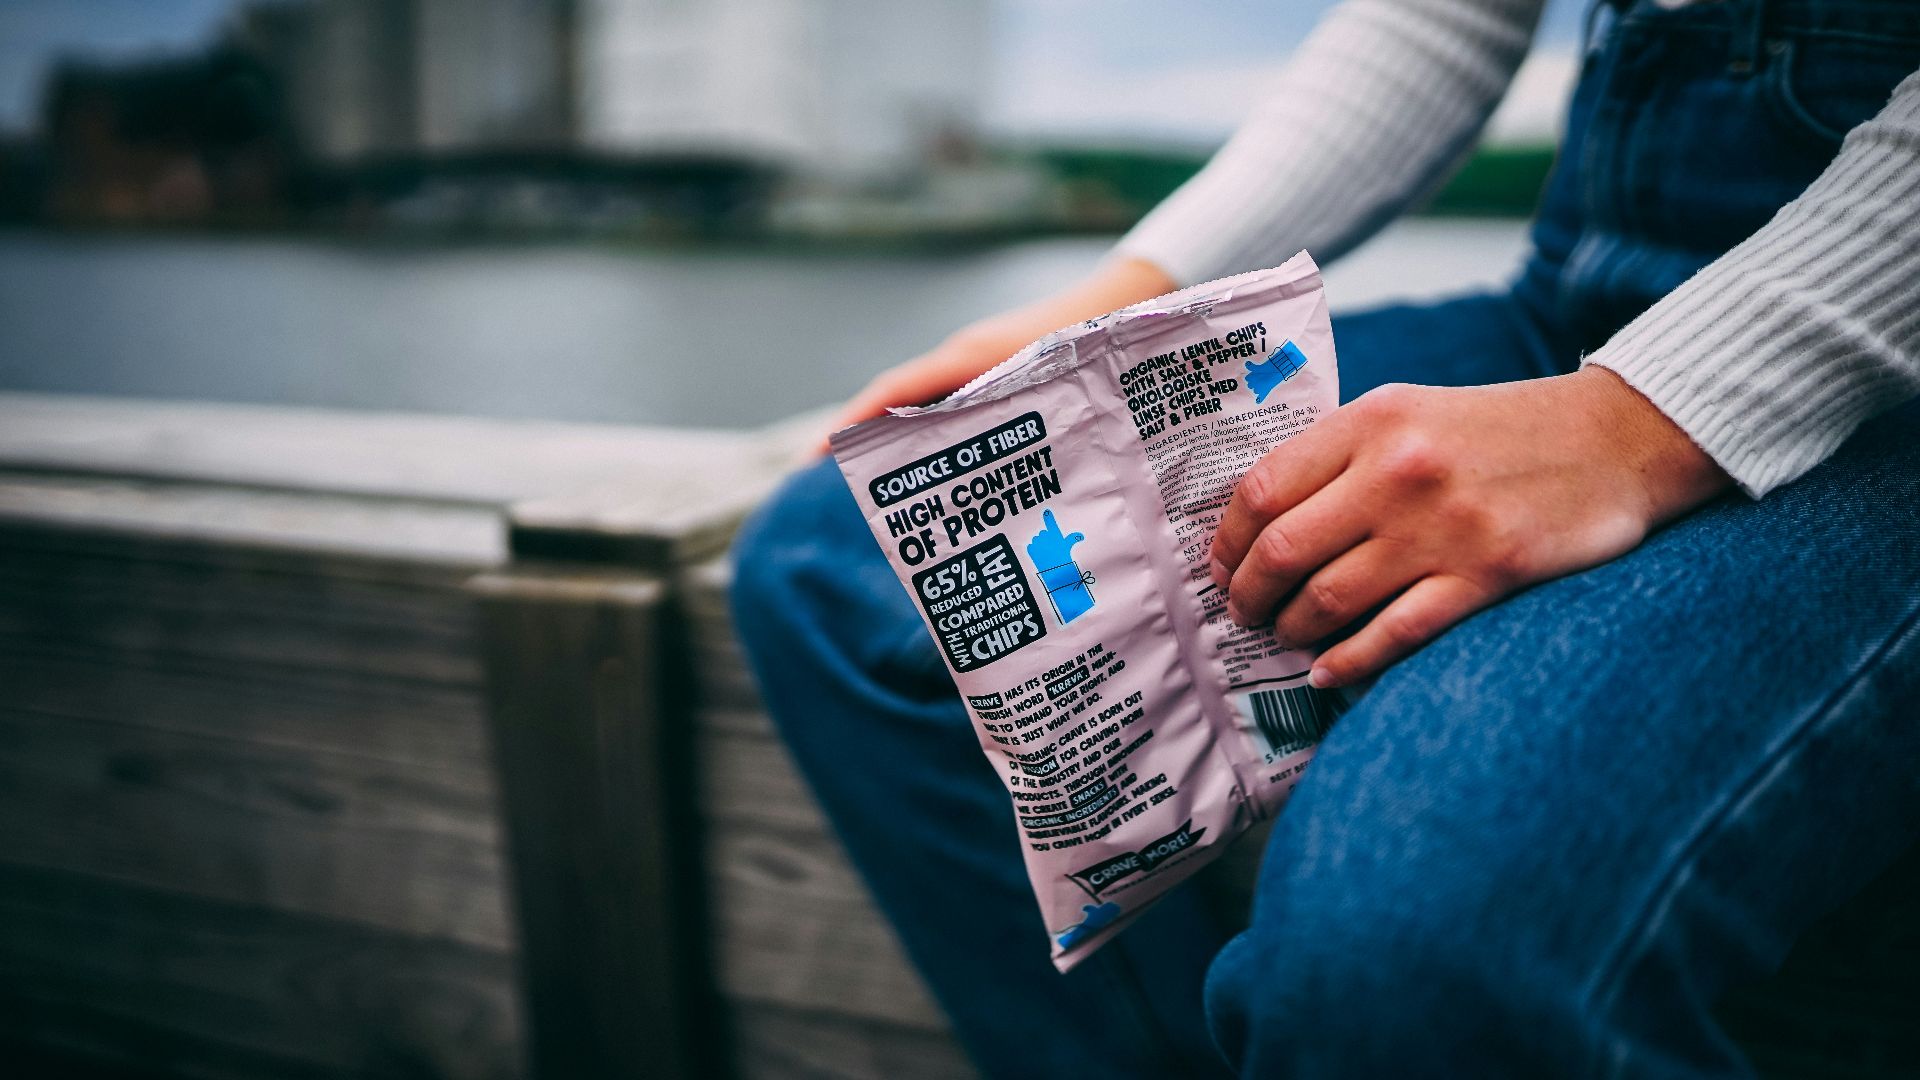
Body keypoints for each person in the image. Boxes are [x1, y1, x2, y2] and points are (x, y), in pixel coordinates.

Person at [731, 0, 1920, 1074]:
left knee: (1410, 949)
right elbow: (1440, 17)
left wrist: (1638, 422)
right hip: (1567, 305)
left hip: (1887, 408)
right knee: (843, 564)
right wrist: (1121, 302)